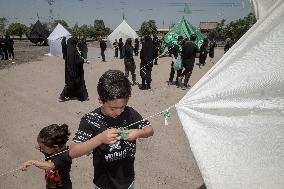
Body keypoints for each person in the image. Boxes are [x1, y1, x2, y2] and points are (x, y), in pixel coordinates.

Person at [69, 70, 154, 189]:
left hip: (127, 181)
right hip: (103, 184)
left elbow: (150, 130)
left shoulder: (130, 113)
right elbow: (72, 152)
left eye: (122, 107)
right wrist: (100, 139)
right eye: (113, 108)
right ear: (100, 100)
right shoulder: (90, 120)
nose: (119, 112)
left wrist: (139, 132)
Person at [20, 124, 72, 189]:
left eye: (43, 148)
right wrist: (42, 147)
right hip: (51, 184)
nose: (41, 149)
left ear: (55, 147)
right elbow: (44, 149)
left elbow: (50, 166)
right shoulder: (51, 150)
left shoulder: (65, 155)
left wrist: (32, 162)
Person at [59, 36, 89, 102]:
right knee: (78, 83)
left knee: (70, 83)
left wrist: (63, 40)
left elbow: (63, 47)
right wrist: (84, 61)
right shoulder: (74, 51)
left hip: (69, 70)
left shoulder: (67, 50)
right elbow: (78, 61)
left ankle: (64, 96)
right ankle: (83, 97)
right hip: (76, 71)